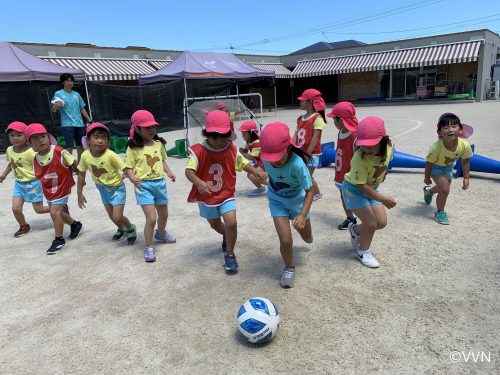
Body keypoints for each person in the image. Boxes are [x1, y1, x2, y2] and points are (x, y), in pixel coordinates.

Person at [185, 110, 266, 273]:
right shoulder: (198, 150)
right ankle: (226, 235)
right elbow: (189, 171)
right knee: (215, 224)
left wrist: (256, 171)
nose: (221, 140)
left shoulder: (232, 149)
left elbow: (243, 163)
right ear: (207, 134)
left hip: (226, 194)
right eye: (216, 136)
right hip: (207, 196)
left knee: (232, 223)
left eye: (225, 136)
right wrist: (199, 182)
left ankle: (229, 252)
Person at [259, 122, 314, 288]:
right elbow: (268, 173)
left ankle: (306, 234)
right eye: (271, 159)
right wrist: (262, 176)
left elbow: (310, 191)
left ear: (289, 148)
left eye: (278, 157)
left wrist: (303, 215)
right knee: (285, 239)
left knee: (307, 237)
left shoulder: (298, 165)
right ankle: (289, 268)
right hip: (277, 200)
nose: (274, 162)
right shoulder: (265, 158)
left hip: (298, 200)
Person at [342, 117, 396, 268]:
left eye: (372, 144)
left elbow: (387, 161)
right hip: (355, 190)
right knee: (371, 223)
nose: (367, 149)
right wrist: (383, 199)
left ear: (384, 140)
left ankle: (355, 230)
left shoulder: (389, 148)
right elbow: (362, 186)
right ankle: (363, 251)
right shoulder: (359, 158)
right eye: (363, 145)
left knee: (381, 222)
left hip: (371, 189)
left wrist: (383, 176)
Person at [124, 110, 176, 263]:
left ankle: (160, 233)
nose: (152, 129)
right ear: (137, 129)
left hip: (159, 184)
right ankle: (149, 247)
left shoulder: (159, 144)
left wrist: (169, 172)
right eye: (147, 127)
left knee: (164, 215)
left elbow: (162, 160)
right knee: (151, 218)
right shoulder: (133, 148)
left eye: (153, 126)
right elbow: (128, 167)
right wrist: (133, 178)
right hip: (143, 186)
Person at [24, 123, 83, 254]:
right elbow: (39, 176)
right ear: (30, 144)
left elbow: (73, 162)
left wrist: (80, 177)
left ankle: (59, 240)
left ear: (48, 137)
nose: (40, 140)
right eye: (35, 138)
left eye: (43, 136)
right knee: (59, 213)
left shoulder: (58, 151)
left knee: (54, 213)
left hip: (62, 187)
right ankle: (75, 225)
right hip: (49, 190)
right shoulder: (36, 158)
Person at [77, 122, 137, 245]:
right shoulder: (84, 156)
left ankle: (130, 228)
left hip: (117, 188)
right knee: (111, 216)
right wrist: (79, 194)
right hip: (102, 189)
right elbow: (81, 174)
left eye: (104, 138)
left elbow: (125, 167)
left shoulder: (111, 155)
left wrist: (129, 175)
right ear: (88, 140)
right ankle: (121, 228)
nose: (100, 141)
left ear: (108, 141)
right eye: (96, 137)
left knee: (117, 216)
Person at [0, 121, 50, 237]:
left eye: (19, 135)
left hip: (33, 183)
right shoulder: (9, 150)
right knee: (15, 208)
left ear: (26, 136)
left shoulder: (32, 151)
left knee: (39, 209)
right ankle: (24, 226)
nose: (15, 138)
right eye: (12, 135)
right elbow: (12, 164)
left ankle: (60, 208)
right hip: (18, 184)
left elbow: (43, 163)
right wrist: (4, 175)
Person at [423, 113, 473, 225]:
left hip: (449, 167)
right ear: (440, 132)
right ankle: (440, 212)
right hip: (436, 167)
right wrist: (427, 177)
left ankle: (429, 191)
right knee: (445, 189)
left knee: (442, 189)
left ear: (460, 129)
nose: (450, 130)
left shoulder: (464, 145)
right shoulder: (436, 147)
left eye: (454, 126)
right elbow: (429, 163)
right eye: (446, 127)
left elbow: (465, 161)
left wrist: (466, 178)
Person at [326, 102, 358, 230]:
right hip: (340, 172)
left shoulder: (355, 135)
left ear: (341, 120)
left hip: (351, 174)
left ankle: (366, 219)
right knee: (343, 195)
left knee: (355, 196)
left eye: (334, 119)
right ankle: (350, 218)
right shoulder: (341, 131)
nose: (333, 121)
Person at [295, 88, 327, 201]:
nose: (300, 102)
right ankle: (312, 192)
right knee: (303, 174)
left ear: (309, 102)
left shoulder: (317, 118)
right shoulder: (300, 118)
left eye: (302, 100)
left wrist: (307, 154)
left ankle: (316, 193)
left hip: (311, 154)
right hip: (301, 152)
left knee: (307, 175)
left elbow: (315, 138)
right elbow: (296, 134)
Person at [51, 73, 92, 162]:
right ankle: (69, 165)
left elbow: (82, 108)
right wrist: (56, 106)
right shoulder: (58, 93)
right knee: (69, 147)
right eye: (67, 81)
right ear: (63, 82)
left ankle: (79, 165)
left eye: (71, 81)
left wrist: (89, 120)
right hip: (67, 124)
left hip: (80, 124)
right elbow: (53, 109)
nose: (70, 83)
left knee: (80, 146)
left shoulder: (76, 94)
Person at [237, 120, 267, 196]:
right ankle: (260, 188)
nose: (242, 135)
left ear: (251, 133)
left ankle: (271, 185)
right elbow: (245, 151)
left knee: (251, 175)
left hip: (263, 165)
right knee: (250, 173)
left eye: (244, 133)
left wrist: (242, 153)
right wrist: (242, 151)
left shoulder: (257, 143)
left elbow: (250, 157)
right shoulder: (249, 141)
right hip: (258, 163)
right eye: (242, 133)